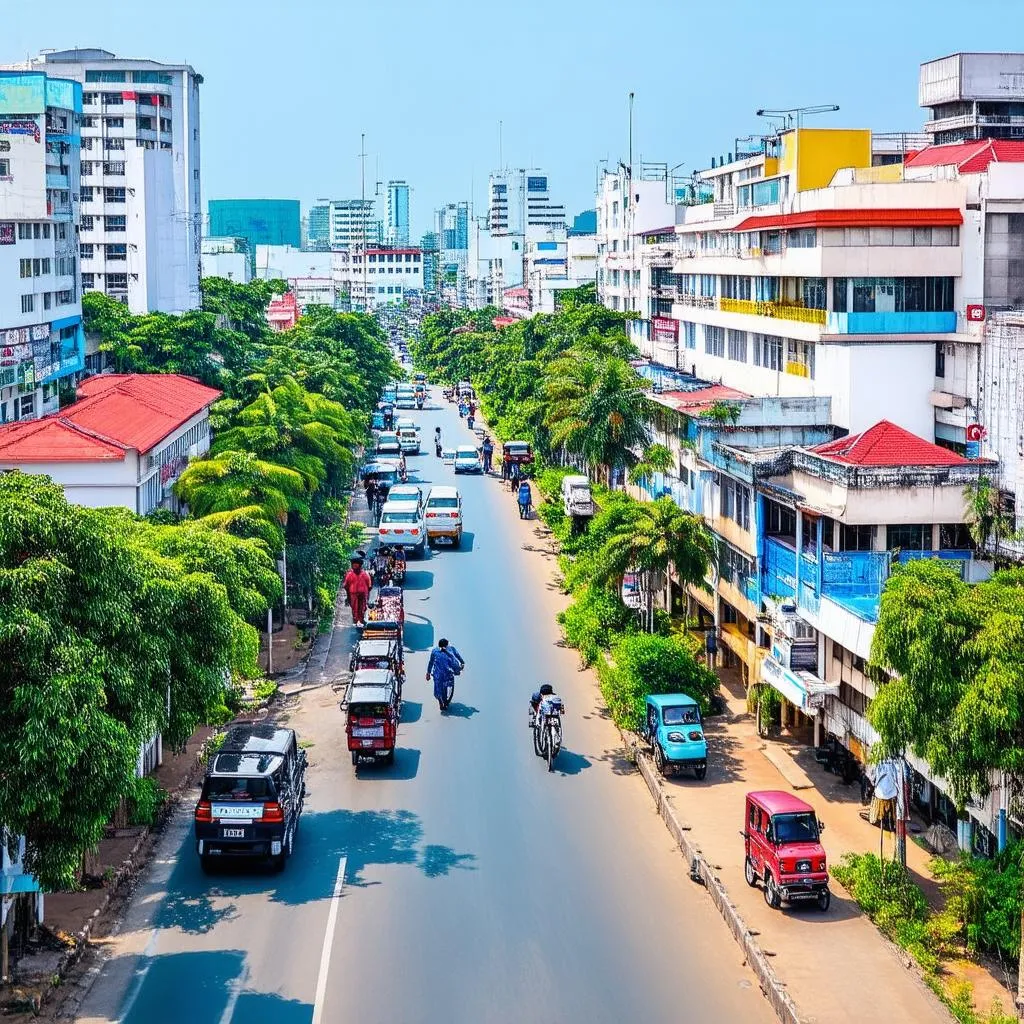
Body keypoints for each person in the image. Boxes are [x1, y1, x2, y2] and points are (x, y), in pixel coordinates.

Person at [426, 638, 465, 712]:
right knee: (449, 689)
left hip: (437, 675)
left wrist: (428, 673)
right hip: (448, 675)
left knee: (438, 689)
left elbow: (431, 662)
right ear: (446, 645)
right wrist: (460, 667)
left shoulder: (434, 651)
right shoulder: (451, 651)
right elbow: (456, 661)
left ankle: (441, 702)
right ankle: (446, 703)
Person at [343, 555, 372, 627]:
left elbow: (369, 586)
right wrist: (348, 595)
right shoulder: (349, 575)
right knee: (354, 608)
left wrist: (366, 594)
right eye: (353, 564)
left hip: (363, 595)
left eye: (356, 564)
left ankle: (361, 620)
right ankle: (356, 620)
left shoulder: (365, 574)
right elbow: (346, 586)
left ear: (360, 565)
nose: (354, 566)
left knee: (362, 608)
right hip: (353, 595)